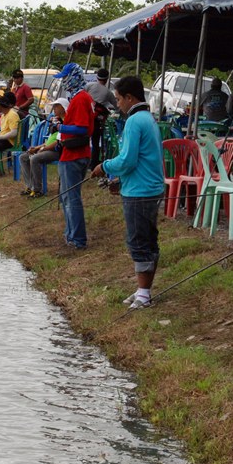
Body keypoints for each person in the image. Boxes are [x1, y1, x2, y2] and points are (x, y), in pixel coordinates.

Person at [91, 76, 164, 308]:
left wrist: (104, 167)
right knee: (148, 239)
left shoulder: (134, 121)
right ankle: (144, 290)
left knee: (139, 242)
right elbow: (141, 159)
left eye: (120, 99)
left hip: (141, 192)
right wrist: (121, 181)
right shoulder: (148, 118)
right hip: (145, 187)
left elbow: (127, 160)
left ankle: (144, 294)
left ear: (130, 98)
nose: (118, 104)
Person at [53, 62, 94, 249]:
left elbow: (82, 128)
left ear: (73, 77)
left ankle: (77, 239)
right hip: (71, 154)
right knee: (67, 198)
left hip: (74, 156)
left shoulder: (80, 99)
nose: (63, 82)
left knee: (72, 199)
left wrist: (61, 127)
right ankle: (70, 235)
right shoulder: (78, 97)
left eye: (65, 78)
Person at [19, 97, 67, 198]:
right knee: (23, 157)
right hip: (48, 148)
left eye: (56, 106)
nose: (54, 109)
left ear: (63, 108)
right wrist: (37, 147)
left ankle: (37, 189)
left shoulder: (66, 122)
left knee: (35, 158)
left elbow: (59, 142)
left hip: (58, 151)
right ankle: (30, 186)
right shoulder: (57, 122)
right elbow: (50, 140)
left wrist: (42, 149)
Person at [85, 68, 118, 168]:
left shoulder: (89, 85)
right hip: (97, 121)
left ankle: (84, 161)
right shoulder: (108, 92)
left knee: (84, 140)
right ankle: (94, 163)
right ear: (107, 79)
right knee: (95, 142)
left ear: (97, 77)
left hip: (86, 117)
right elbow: (117, 106)